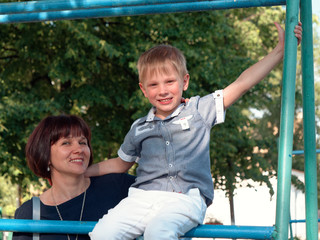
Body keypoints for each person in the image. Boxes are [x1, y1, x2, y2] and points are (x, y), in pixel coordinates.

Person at [86, 22, 303, 240]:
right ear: (143, 89)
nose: (162, 90)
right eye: (153, 85)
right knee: (102, 233)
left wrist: (279, 53)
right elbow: (120, 163)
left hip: (185, 198)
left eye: (170, 81)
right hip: (141, 198)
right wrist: (82, 171)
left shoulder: (198, 110)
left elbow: (241, 84)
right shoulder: (139, 127)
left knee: (159, 232)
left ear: (185, 81)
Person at [13, 115, 136, 240]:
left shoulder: (118, 187)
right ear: (45, 154)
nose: (79, 149)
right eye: (66, 143)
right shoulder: (30, 214)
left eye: (83, 142)